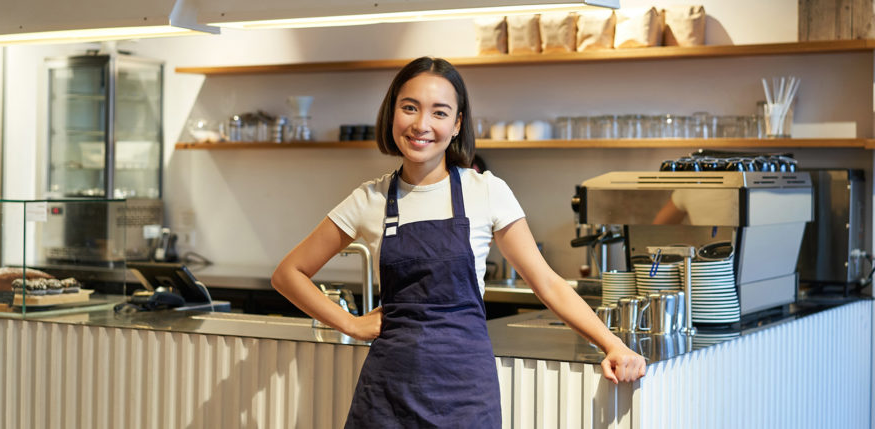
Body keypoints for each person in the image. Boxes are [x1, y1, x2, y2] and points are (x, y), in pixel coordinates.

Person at [271, 57, 645, 427]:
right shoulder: (369, 199)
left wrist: (612, 343)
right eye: (410, 108)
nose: (421, 124)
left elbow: (547, 283)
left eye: (439, 112)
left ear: (457, 124)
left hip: (466, 395)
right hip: (387, 396)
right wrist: (350, 324)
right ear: (392, 114)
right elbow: (288, 273)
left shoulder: (486, 191)